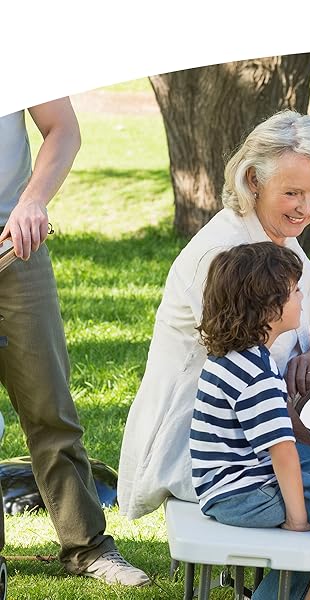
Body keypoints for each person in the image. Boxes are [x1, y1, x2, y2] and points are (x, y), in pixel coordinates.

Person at [117, 111, 310, 596]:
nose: (306, 207)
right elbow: (247, 391)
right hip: (214, 455)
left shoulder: (276, 237)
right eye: (292, 192)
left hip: (248, 445)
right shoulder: (230, 255)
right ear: (254, 180)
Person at [0, 99, 149, 585]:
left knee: (49, 405)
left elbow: (62, 128)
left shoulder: (16, 44)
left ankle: (87, 547)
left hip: (13, 248)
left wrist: (32, 200)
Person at [193, 242, 310, 600]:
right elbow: (283, 452)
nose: (302, 297)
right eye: (295, 290)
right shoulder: (257, 373)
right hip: (246, 494)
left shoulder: (233, 356)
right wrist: (298, 520)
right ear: (269, 309)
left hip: (227, 486)